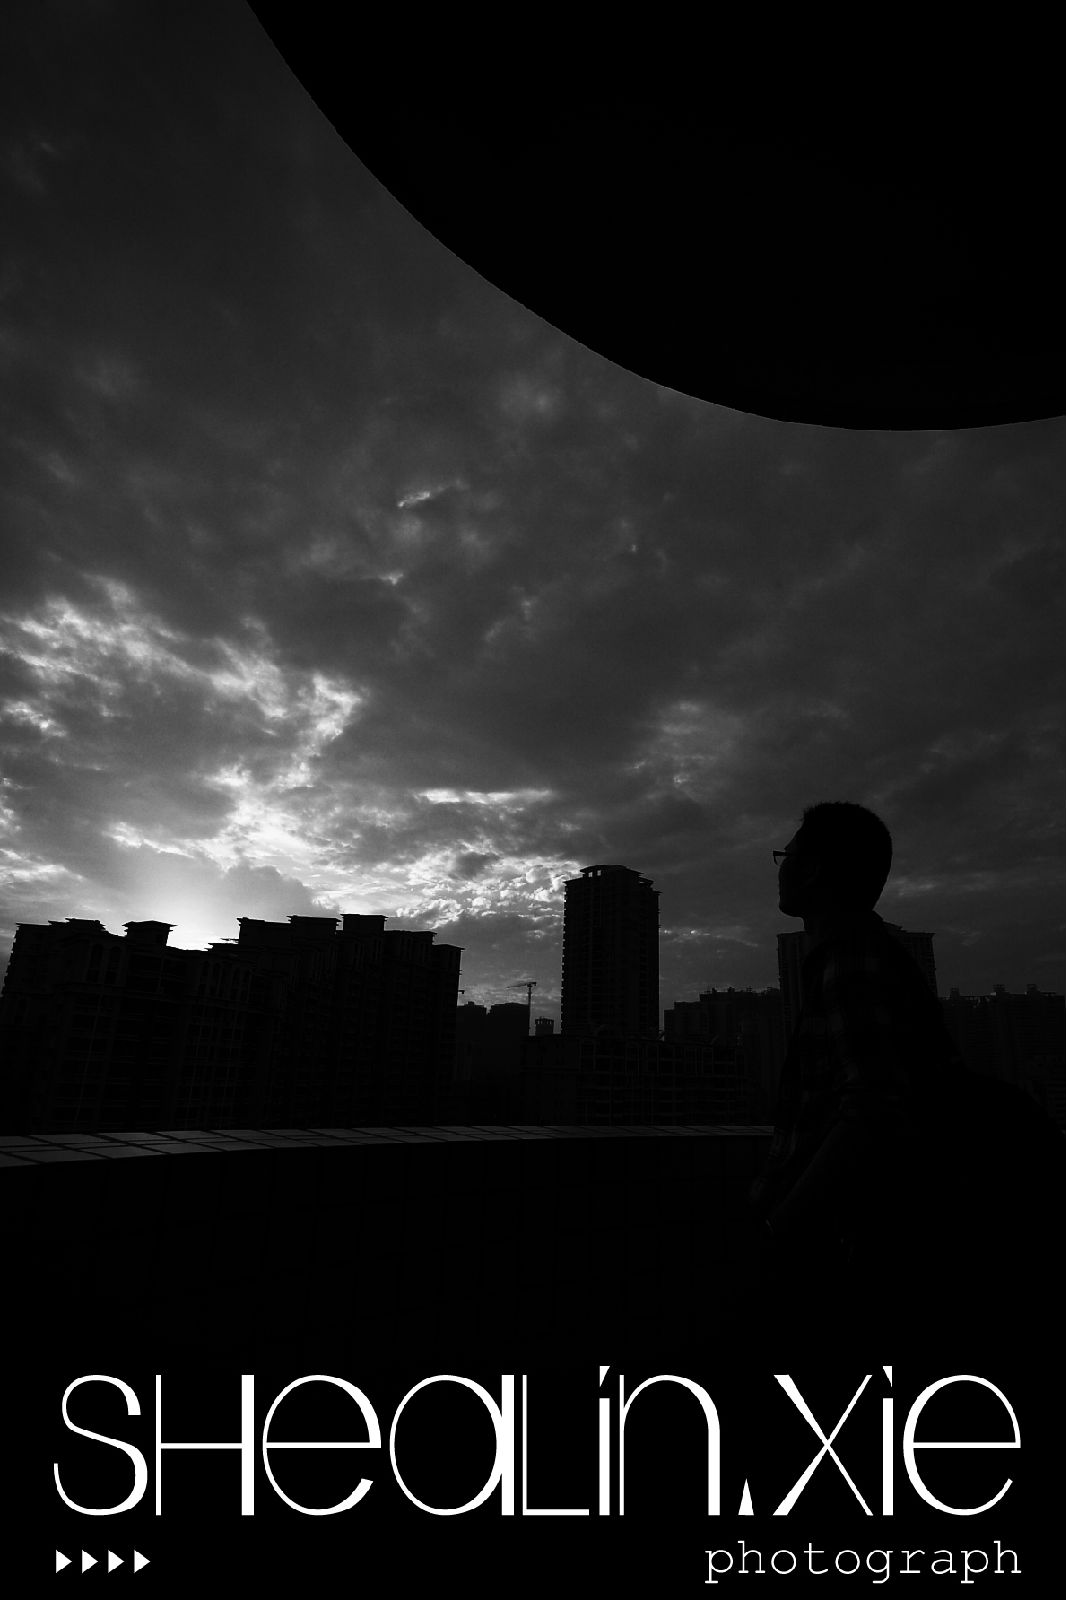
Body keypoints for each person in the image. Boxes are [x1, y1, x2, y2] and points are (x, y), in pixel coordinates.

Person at [747, 802, 967, 1330]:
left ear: (814, 869)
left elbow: (872, 1109)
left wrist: (782, 1226)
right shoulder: (863, 953)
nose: (780, 868)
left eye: (786, 856)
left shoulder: (853, 958)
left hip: (851, 1249)